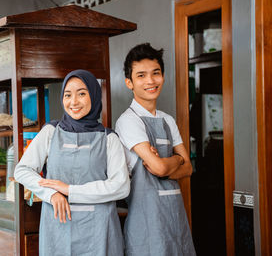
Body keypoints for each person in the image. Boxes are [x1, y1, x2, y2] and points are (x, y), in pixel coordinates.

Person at [14, 69, 130, 256]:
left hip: (99, 230)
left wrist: (70, 190)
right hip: (58, 227)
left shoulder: (109, 138)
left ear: (94, 95)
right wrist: (52, 194)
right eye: (68, 95)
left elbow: (121, 186)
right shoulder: (51, 132)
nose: (73, 102)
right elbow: (22, 170)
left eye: (82, 94)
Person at [115, 43, 196, 256]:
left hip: (175, 217)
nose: (150, 81)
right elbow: (159, 168)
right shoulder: (128, 121)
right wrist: (176, 160)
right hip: (146, 221)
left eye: (156, 73)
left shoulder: (168, 120)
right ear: (129, 82)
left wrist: (174, 162)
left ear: (163, 76)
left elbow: (188, 168)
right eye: (141, 75)